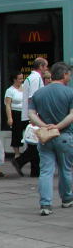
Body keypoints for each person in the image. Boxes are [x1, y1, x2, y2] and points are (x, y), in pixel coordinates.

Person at [27, 61, 73, 216]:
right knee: (65, 169)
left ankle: (45, 204)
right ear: (64, 75)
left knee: (46, 171)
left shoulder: (39, 93)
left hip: (45, 137)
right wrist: (57, 126)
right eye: (69, 75)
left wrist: (44, 126)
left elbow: (31, 114)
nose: (70, 77)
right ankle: (67, 198)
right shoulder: (70, 92)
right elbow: (72, 115)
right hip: (64, 136)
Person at [13, 57, 48, 177]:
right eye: (45, 66)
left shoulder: (30, 77)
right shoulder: (36, 78)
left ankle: (35, 171)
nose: (46, 69)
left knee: (34, 143)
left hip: (29, 114)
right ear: (41, 66)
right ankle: (19, 161)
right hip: (34, 116)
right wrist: (35, 116)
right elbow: (33, 97)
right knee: (36, 145)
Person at [4, 72, 24, 158]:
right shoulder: (10, 90)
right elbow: (8, 105)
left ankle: (29, 151)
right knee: (16, 133)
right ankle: (17, 153)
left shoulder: (25, 87)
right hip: (16, 113)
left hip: (26, 113)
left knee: (28, 132)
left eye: (22, 78)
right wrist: (10, 118)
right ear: (14, 80)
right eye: (20, 79)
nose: (21, 80)